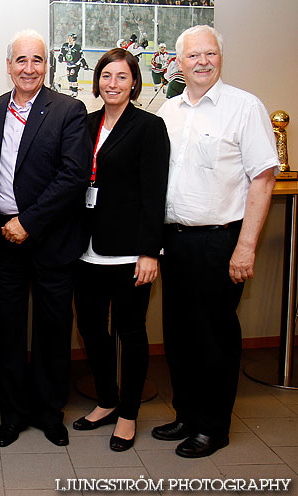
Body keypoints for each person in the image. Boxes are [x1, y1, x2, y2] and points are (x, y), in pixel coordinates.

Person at [154, 25, 278, 458]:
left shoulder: (244, 107)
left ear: (219, 58)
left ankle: (214, 427)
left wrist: (246, 246)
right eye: (193, 56)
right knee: (179, 335)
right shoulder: (168, 112)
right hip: (175, 241)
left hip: (220, 242)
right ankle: (186, 414)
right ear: (179, 62)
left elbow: (263, 179)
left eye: (210, 54)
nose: (202, 61)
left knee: (215, 337)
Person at [0, 29, 91, 448]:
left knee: (53, 330)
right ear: (8, 66)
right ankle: (13, 414)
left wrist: (30, 221)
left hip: (51, 240)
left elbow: (73, 176)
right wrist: (1, 224)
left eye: (37, 60)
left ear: (48, 65)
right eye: (21, 60)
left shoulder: (68, 110)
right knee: (8, 331)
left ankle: (49, 411)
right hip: (4, 239)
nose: (29, 68)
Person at [71, 48, 170, 452]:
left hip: (130, 253)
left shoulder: (149, 127)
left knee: (130, 333)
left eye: (122, 77)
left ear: (135, 83)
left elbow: (154, 193)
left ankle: (128, 414)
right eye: (106, 76)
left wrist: (150, 251)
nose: (113, 83)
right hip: (86, 251)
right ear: (98, 81)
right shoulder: (86, 124)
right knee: (92, 330)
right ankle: (107, 402)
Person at [59, 33, 83, 97]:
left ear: (74, 39)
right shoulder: (65, 45)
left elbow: (81, 57)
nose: (69, 38)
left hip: (75, 66)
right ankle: (72, 91)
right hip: (69, 65)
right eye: (69, 37)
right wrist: (60, 57)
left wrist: (84, 64)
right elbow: (61, 53)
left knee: (73, 77)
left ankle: (75, 92)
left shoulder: (77, 47)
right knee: (69, 77)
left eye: (71, 37)